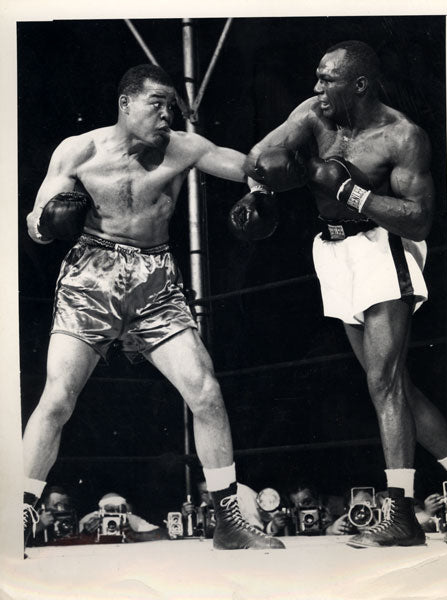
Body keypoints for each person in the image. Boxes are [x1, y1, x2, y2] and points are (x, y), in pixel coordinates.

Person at [23, 63, 284, 551]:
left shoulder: (183, 147)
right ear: (125, 104)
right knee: (57, 397)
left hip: (155, 280)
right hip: (91, 276)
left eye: (173, 105)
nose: (168, 113)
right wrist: (46, 223)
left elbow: (247, 165)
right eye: (157, 103)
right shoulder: (78, 150)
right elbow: (37, 220)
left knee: (205, 392)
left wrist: (258, 194)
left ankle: (229, 521)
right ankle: (15, 514)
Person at [243, 40, 447, 547]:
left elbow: (420, 220)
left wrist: (349, 192)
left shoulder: (402, 136)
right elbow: (259, 157)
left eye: (327, 79)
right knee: (389, 382)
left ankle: (399, 511)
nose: (316, 88)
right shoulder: (314, 115)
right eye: (316, 77)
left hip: (384, 249)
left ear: (358, 84)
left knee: (385, 382)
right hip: (332, 253)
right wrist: (261, 192)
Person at [80, 492, 168, 542]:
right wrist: (86, 533)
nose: (114, 514)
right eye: (109, 510)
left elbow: (164, 536)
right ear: (100, 512)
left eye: (119, 510)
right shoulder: (90, 519)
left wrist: (134, 534)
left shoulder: (130, 519)